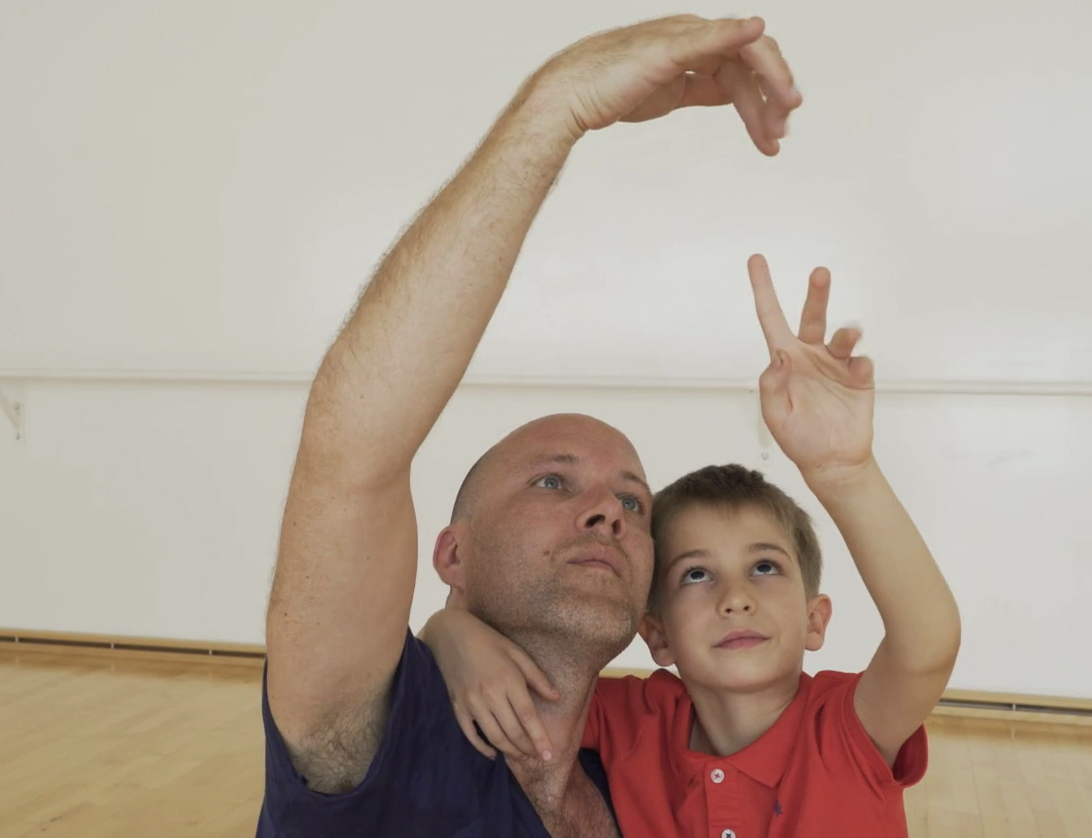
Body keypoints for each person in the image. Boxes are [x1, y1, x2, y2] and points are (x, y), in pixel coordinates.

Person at [258, 15, 803, 838]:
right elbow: (351, 450)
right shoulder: (380, 731)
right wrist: (557, 107)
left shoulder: (651, 778)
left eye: (633, 503)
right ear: (453, 555)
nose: (607, 512)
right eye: (554, 481)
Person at [420, 255, 963, 837]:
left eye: (764, 567)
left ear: (815, 619)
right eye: (697, 575)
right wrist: (449, 633)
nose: (735, 598)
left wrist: (844, 473)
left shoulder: (846, 728)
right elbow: (527, 678)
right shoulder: (636, 721)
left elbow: (926, 644)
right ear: (656, 633)